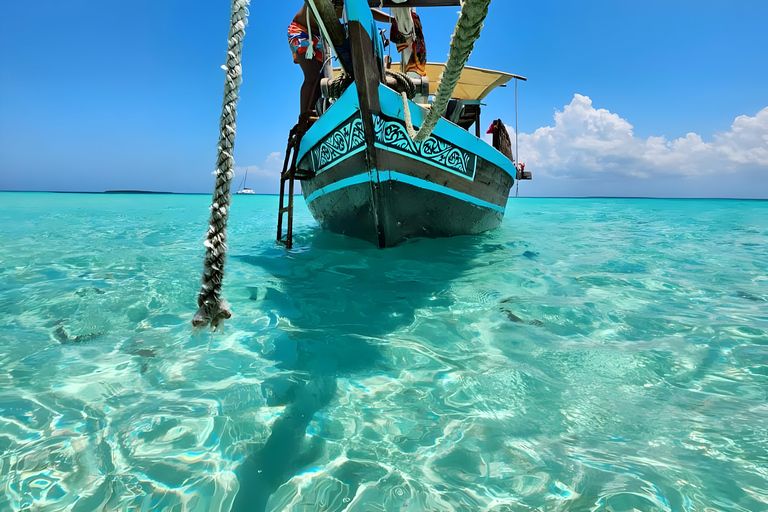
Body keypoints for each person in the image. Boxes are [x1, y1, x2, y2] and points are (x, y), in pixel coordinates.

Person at [288, 4, 394, 114]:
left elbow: (369, 10)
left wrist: (392, 20)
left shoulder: (350, 3)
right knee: (312, 74)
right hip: (300, 30)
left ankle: (312, 114)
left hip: (318, 36)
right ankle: (304, 118)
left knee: (320, 78)